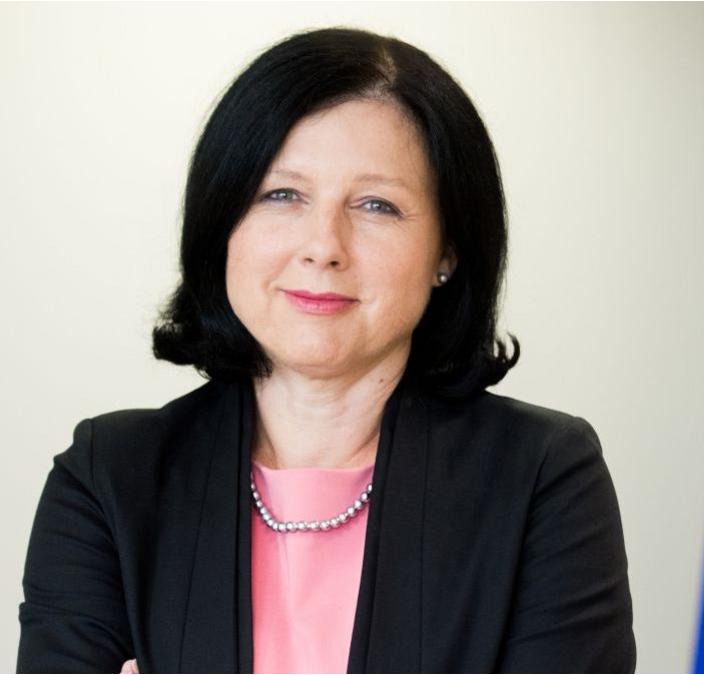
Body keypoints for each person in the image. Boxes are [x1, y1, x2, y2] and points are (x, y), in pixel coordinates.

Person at [16, 26, 635, 674]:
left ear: (448, 250)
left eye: (376, 205)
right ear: (224, 221)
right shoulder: (107, 479)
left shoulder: (540, 478)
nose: (323, 246)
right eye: (282, 194)